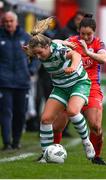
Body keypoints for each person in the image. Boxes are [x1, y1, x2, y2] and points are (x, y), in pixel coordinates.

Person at [23, 25, 95, 163]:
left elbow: (76, 54)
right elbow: (55, 40)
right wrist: (29, 50)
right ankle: (45, 155)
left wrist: (73, 66)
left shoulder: (58, 51)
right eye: (36, 53)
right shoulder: (45, 48)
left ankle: (86, 142)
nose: (38, 56)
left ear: (46, 47)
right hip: (60, 87)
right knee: (45, 119)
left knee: (73, 111)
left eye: (39, 53)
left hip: (78, 83)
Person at [55, 17, 106, 165]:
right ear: (78, 31)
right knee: (57, 126)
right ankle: (49, 152)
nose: (85, 37)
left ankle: (96, 157)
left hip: (92, 87)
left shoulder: (99, 43)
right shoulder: (72, 41)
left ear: (94, 32)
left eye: (88, 34)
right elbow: (54, 44)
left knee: (96, 126)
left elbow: (103, 59)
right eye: (82, 33)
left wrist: (87, 52)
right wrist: (63, 42)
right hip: (72, 85)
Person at [0, 11, 39, 150]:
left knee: (20, 113)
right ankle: (7, 143)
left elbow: (36, 56)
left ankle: (16, 141)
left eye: (11, 21)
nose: (8, 23)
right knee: (5, 112)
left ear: (16, 22)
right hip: (3, 82)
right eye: (6, 21)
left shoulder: (26, 37)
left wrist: (31, 70)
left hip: (22, 82)